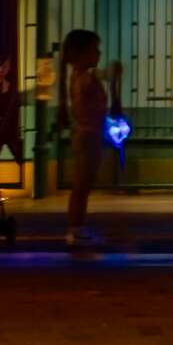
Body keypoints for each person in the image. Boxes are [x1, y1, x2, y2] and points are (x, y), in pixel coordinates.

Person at [62, 28, 120, 249]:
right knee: (82, 184)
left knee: (83, 184)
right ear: (82, 53)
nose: (98, 54)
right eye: (95, 50)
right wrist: (113, 82)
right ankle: (76, 228)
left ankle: (77, 226)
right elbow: (106, 104)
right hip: (88, 135)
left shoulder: (80, 76)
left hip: (87, 133)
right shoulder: (84, 78)